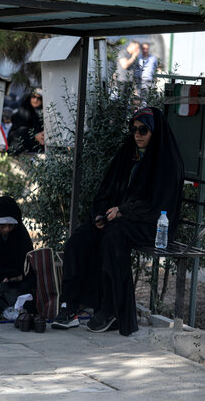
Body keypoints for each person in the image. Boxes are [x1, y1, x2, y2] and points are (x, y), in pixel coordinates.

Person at [51, 107, 184, 336]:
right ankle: (70, 306)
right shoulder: (128, 153)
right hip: (119, 219)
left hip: (151, 223)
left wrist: (123, 212)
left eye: (144, 130)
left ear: (155, 132)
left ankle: (110, 310)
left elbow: (160, 205)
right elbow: (107, 190)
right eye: (134, 129)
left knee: (113, 238)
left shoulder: (166, 161)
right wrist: (100, 214)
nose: (137, 135)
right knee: (80, 239)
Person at [8, 89, 44, 155]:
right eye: (33, 97)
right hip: (20, 146)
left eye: (39, 98)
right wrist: (35, 134)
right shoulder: (24, 109)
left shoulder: (41, 112)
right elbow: (19, 128)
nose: (35, 100)